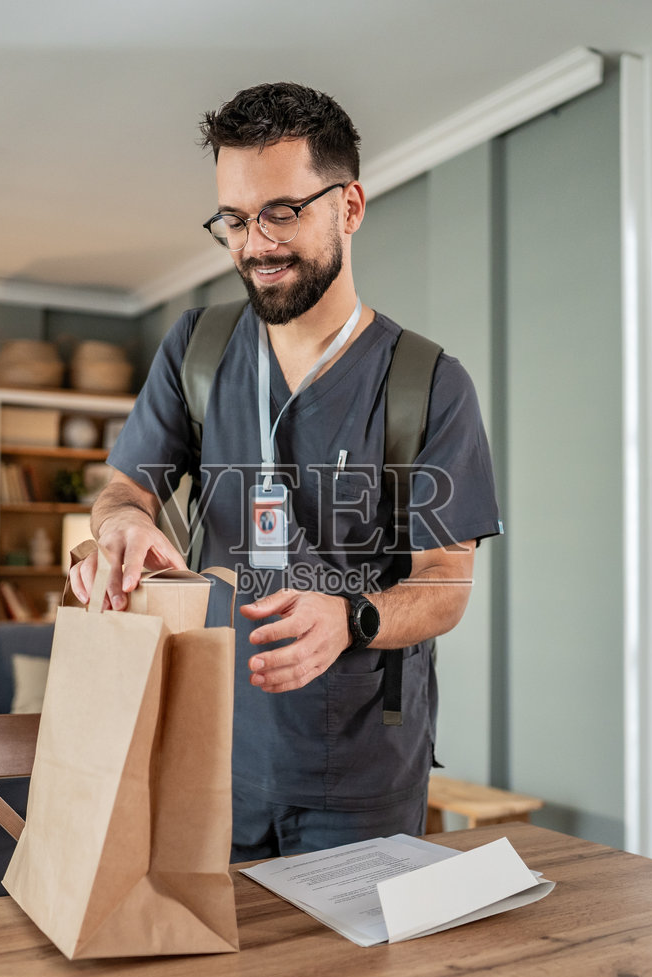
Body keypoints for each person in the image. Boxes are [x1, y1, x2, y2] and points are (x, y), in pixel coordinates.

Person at [70, 82, 501, 861]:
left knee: (350, 951)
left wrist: (351, 616)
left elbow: (446, 582)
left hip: (361, 776)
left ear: (349, 206)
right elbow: (125, 489)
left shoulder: (429, 383)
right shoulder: (196, 349)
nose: (255, 244)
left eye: (282, 211)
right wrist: (124, 521)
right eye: (235, 220)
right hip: (208, 754)